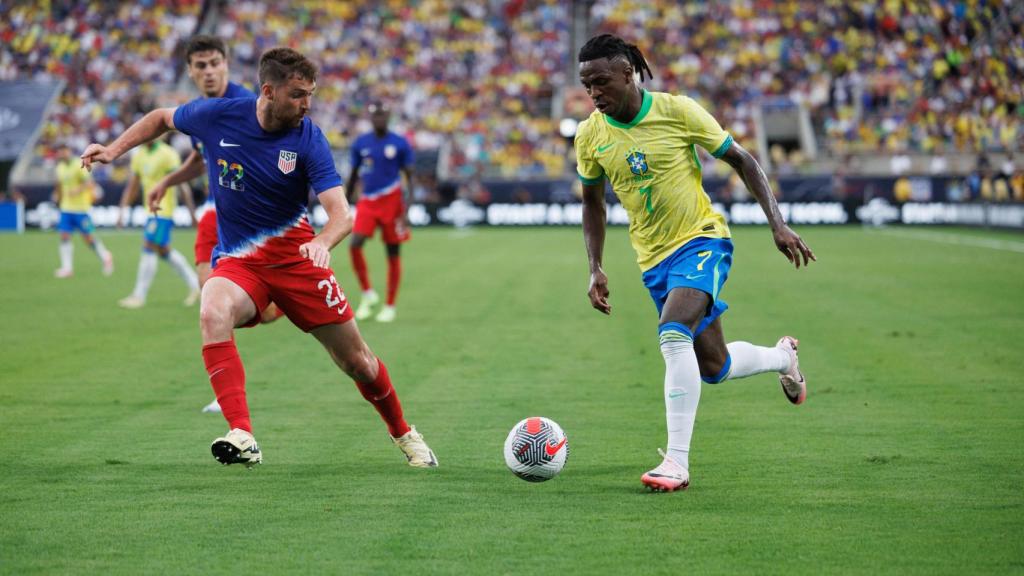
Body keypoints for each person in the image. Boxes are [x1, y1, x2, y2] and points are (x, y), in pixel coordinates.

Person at [81, 47, 438, 469]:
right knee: (212, 309)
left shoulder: (309, 138)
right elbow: (161, 117)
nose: (307, 104)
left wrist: (322, 242)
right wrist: (114, 150)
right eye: (298, 94)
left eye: (311, 94)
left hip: (298, 263)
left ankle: (403, 432)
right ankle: (242, 433)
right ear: (268, 91)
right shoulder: (219, 116)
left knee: (356, 362)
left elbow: (342, 214)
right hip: (240, 262)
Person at [574, 34, 816, 492]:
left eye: (601, 82)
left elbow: (742, 159)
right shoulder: (590, 135)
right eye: (587, 86)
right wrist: (595, 267)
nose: (594, 94)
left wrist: (778, 224)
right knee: (714, 366)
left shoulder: (677, 111)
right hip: (653, 260)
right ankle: (784, 358)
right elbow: (593, 204)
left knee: (672, 334)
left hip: (702, 240)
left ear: (628, 73)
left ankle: (676, 463)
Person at [145, 35, 279, 413]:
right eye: (200, 66)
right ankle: (227, 394)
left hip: (246, 218)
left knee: (265, 315)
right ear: (190, 71)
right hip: (212, 213)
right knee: (212, 300)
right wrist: (167, 181)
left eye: (214, 63)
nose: (208, 71)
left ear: (226, 65)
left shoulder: (245, 105)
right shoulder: (197, 111)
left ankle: (283, 296)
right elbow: (201, 158)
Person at [346, 101, 415, 323]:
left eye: (383, 115)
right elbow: (354, 174)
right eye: (376, 115)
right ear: (370, 118)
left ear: (389, 117)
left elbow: (410, 178)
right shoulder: (361, 143)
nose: (379, 119)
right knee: (355, 244)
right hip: (368, 200)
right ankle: (368, 293)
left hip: (392, 201)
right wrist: (345, 203)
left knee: (392, 252)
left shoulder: (399, 143)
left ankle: (390, 305)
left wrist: (407, 209)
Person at [116, 136, 200, 308]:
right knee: (163, 251)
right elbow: (133, 185)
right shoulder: (139, 155)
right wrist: (122, 209)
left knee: (148, 246)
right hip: (150, 210)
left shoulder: (168, 154)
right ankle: (196, 285)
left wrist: (191, 213)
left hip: (164, 210)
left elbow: (182, 184)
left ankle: (139, 296)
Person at [52, 145, 114, 278]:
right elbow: (59, 185)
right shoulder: (59, 168)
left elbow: (89, 183)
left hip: (81, 209)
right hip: (66, 208)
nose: (63, 154)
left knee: (89, 238)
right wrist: (58, 197)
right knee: (64, 236)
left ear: (69, 151)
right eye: (60, 152)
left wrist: (77, 190)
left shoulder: (77, 165)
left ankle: (106, 256)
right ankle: (67, 268)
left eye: (64, 151)